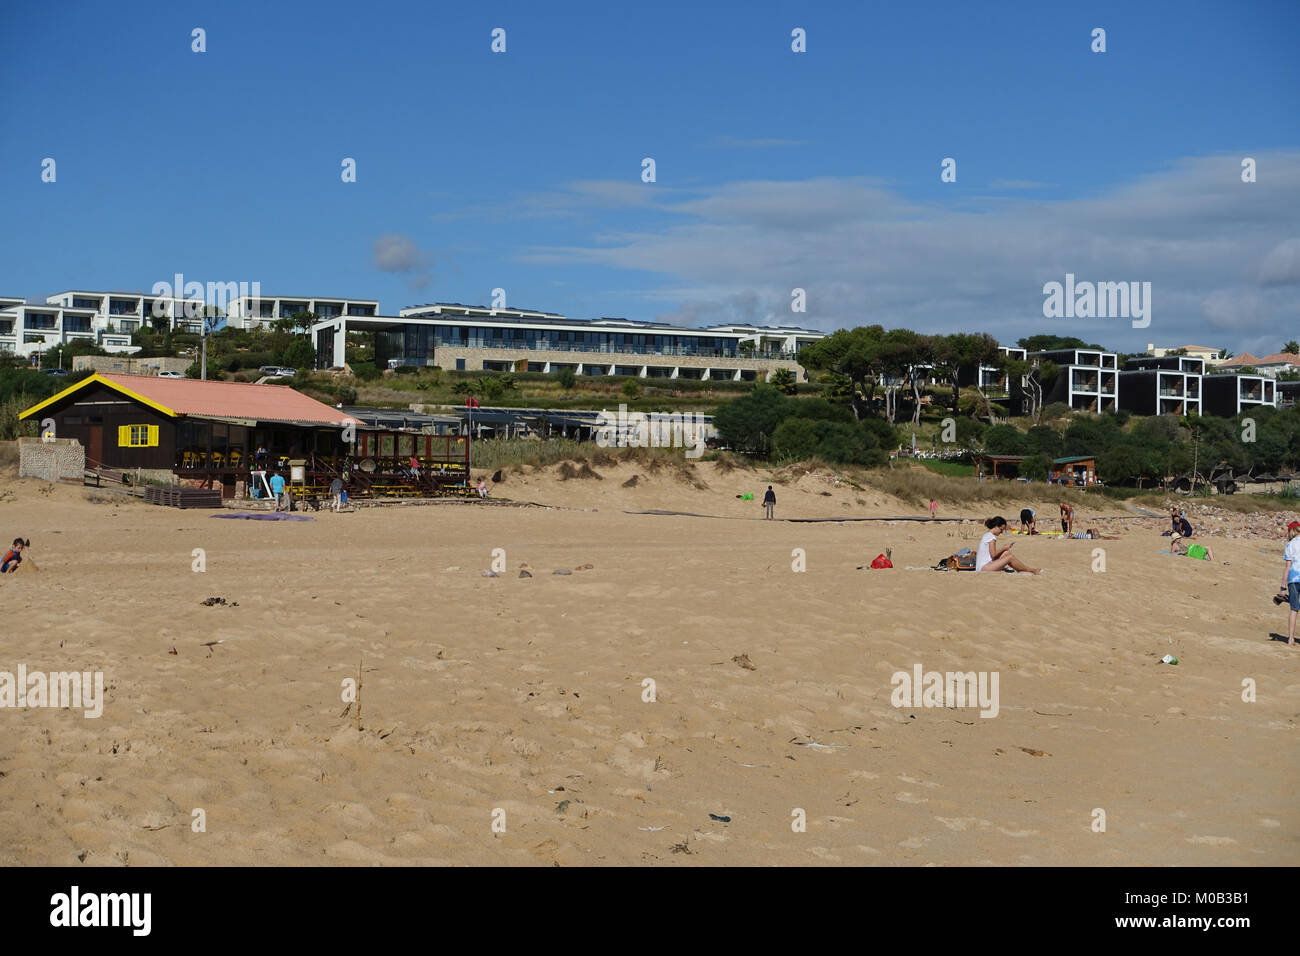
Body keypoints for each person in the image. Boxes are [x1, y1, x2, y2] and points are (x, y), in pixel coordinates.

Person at [976, 517, 1041, 574]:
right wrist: (1004, 548)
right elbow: (993, 554)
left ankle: (1021, 569)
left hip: (983, 566)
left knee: (1006, 553)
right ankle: (1031, 570)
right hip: (984, 568)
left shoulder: (987, 535)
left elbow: (991, 555)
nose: (1001, 532)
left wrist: (1004, 549)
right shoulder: (991, 537)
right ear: (996, 526)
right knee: (1010, 557)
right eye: (1001, 529)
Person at [1282, 521, 1300, 646]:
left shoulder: (1289, 545)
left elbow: (1287, 567)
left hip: (1293, 579)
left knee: (1294, 609)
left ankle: (1291, 639)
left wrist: (1282, 587)